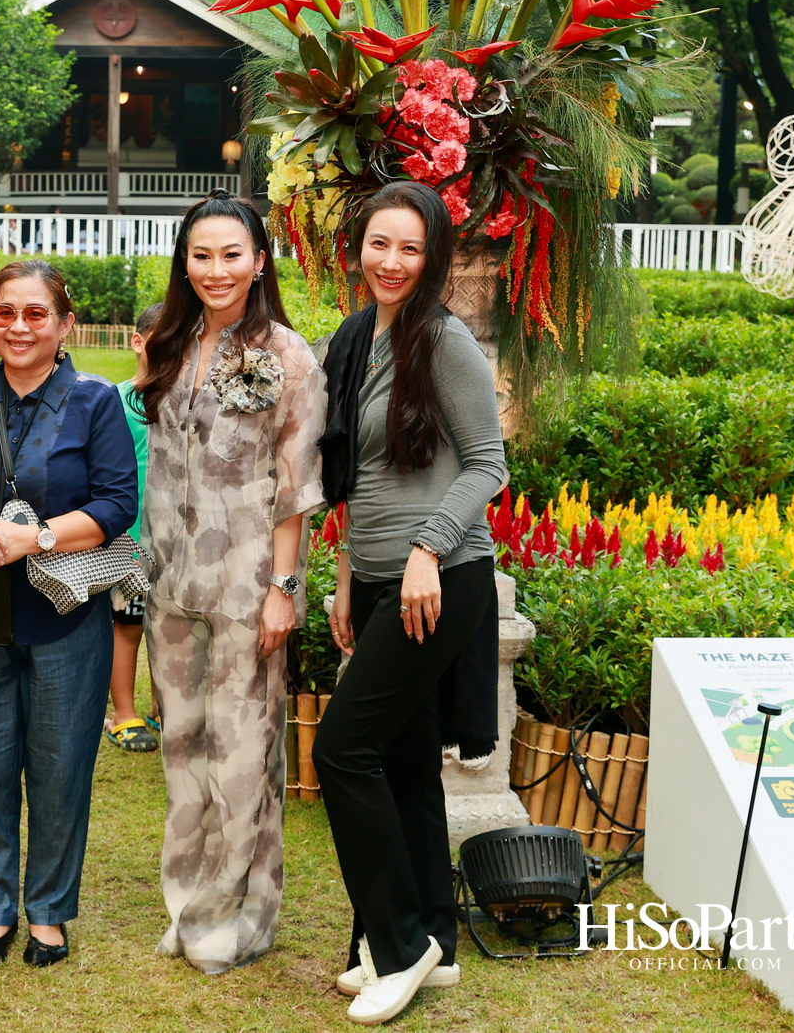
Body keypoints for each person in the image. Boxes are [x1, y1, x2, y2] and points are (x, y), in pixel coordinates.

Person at [311, 180, 508, 1025]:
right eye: (378, 244)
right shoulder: (354, 340)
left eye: (410, 248)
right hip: (382, 578)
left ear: (432, 259)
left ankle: (397, 948)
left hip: (443, 579)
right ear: (359, 248)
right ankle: (435, 935)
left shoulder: (444, 340)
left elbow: (489, 465)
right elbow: (354, 483)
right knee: (400, 762)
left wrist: (428, 548)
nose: (390, 262)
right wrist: (349, 579)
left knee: (340, 750)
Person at [0, 260, 137, 970]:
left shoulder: (95, 401)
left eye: (36, 313)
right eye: (5, 312)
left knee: (59, 766)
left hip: (65, 613)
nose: (18, 326)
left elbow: (115, 505)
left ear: (64, 324)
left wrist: (31, 538)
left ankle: (47, 911)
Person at [136, 190, 325, 975]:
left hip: (249, 587)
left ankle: (236, 917)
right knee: (181, 750)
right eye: (201, 255)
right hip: (171, 584)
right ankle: (187, 908)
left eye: (232, 254)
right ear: (186, 261)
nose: (216, 269)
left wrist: (284, 587)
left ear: (258, 261)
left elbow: (298, 484)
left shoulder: (287, 354)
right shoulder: (172, 344)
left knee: (242, 755)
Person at [105, 302, 161, 753]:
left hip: (177, 542)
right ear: (137, 341)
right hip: (128, 542)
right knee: (129, 626)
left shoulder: (187, 400)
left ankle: (167, 708)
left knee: (174, 629)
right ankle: (124, 714)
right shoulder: (115, 402)